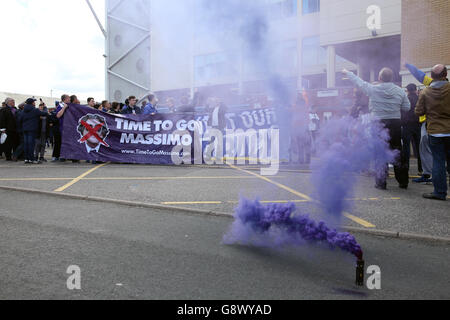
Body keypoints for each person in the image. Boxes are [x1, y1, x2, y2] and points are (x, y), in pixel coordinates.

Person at [343, 67, 411, 190]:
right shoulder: (400, 91)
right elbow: (407, 107)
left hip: (378, 123)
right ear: (392, 78)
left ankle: (381, 183)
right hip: (395, 123)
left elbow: (359, 81)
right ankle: (403, 182)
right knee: (397, 151)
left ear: (380, 78)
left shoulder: (373, 89)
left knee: (380, 152)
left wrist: (348, 73)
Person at [415, 64, 450, 201]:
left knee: (438, 162)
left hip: (435, 132)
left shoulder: (425, 92)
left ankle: (440, 192)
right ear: (445, 75)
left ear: (431, 76)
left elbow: (418, 112)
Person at [405, 63, 435, 184]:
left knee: (425, 149)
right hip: (432, 124)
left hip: (426, 124)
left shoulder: (431, 85)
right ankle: (426, 172)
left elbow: (420, 75)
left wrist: (408, 65)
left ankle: (427, 174)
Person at [402, 83, 423, 174]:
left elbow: (402, 111)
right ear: (415, 90)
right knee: (419, 148)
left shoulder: (405, 99)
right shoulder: (420, 99)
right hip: (418, 125)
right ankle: (421, 169)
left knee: (406, 148)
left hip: (407, 125)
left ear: (407, 90)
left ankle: (406, 169)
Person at [21, 98, 48, 164]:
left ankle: (26, 159)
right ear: (32, 103)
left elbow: (20, 119)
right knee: (31, 144)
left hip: (25, 129)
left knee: (26, 144)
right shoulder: (35, 110)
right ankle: (32, 159)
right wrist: (45, 107)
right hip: (32, 129)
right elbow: (44, 113)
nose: (35, 103)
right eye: (34, 102)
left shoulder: (23, 110)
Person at [55, 94, 71, 162]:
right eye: (68, 98)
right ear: (65, 99)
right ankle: (62, 156)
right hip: (62, 127)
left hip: (68, 127)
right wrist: (64, 108)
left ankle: (66, 155)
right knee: (63, 142)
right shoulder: (60, 106)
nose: (69, 100)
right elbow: (58, 115)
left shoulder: (69, 106)